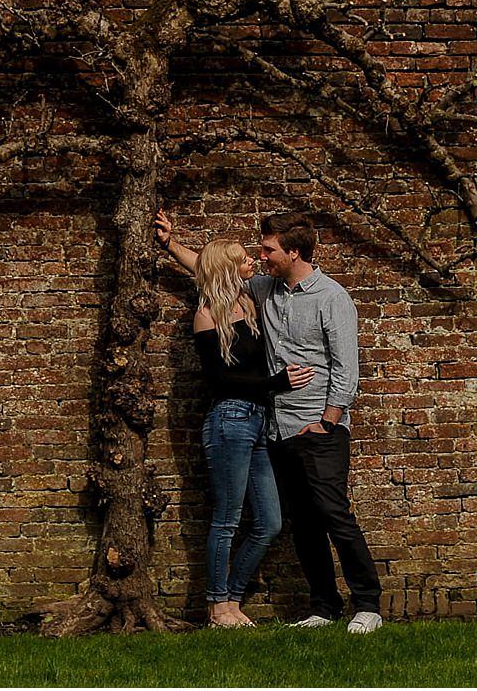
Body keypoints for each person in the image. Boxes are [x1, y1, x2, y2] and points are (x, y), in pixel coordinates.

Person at [158, 208, 384, 635]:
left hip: (317, 428)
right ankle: (324, 605)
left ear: (293, 252)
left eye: (268, 250)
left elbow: (346, 369)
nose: (261, 257)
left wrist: (329, 421)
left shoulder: (331, 298)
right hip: (275, 429)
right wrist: (171, 244)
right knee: (303, 523)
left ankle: (368, 604)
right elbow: (211, 270)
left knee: (335, 515)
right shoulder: (266, 289)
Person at [189, 238, 314, 627]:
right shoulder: (207, 316)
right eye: (242, 258)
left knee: (269, 523)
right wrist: (276, 383)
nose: (251, 261)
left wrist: (171, 243)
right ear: (226, 269)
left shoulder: (248, 302)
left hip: (258, 420)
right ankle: (216, 608)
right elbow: (221, 380)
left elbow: (200, 261)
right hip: (230, 421)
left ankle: (233, 598)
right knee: (227, 518)